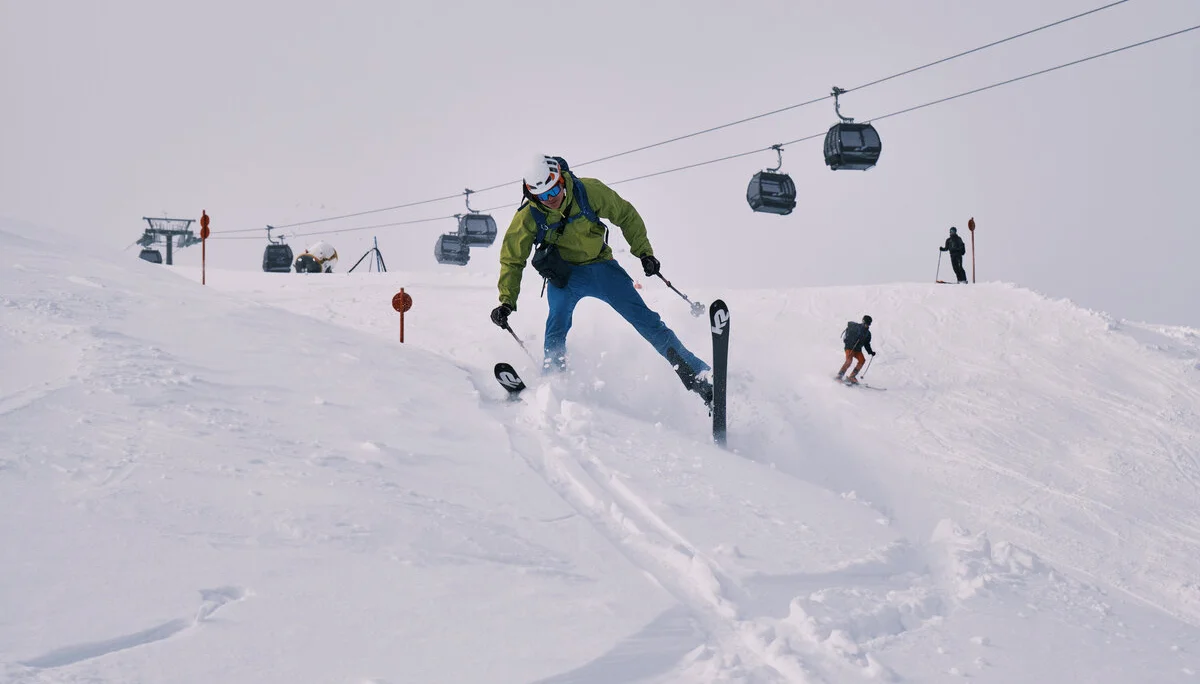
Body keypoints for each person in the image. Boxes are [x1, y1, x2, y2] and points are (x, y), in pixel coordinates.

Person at [489, 154, 712, 406]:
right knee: (556, 327)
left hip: (601, 268)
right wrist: (506, 301)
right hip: (565, 277)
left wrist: (644, 253)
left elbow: (626, 215)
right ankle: (553, 386)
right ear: (531, 194)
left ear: (561, 180)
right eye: (541, 196)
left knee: (648, 322)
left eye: (553, 191)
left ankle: (699, 376)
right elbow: (512, 259)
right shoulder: (528, 216)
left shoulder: (588, 191)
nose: (550, 199)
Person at [836, 315, 876, 385]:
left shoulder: (868, 334)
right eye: (866, 323)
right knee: (849, 361)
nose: (867, 325)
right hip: (850, 347)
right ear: (863, 322)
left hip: (857, 350)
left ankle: (852, 376)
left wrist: (870, 352)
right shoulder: (856, 327)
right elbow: (849, 336)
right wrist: (851, 341)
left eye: (868, 324)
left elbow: (867, 344)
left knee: (862, 360)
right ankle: (839, 375)